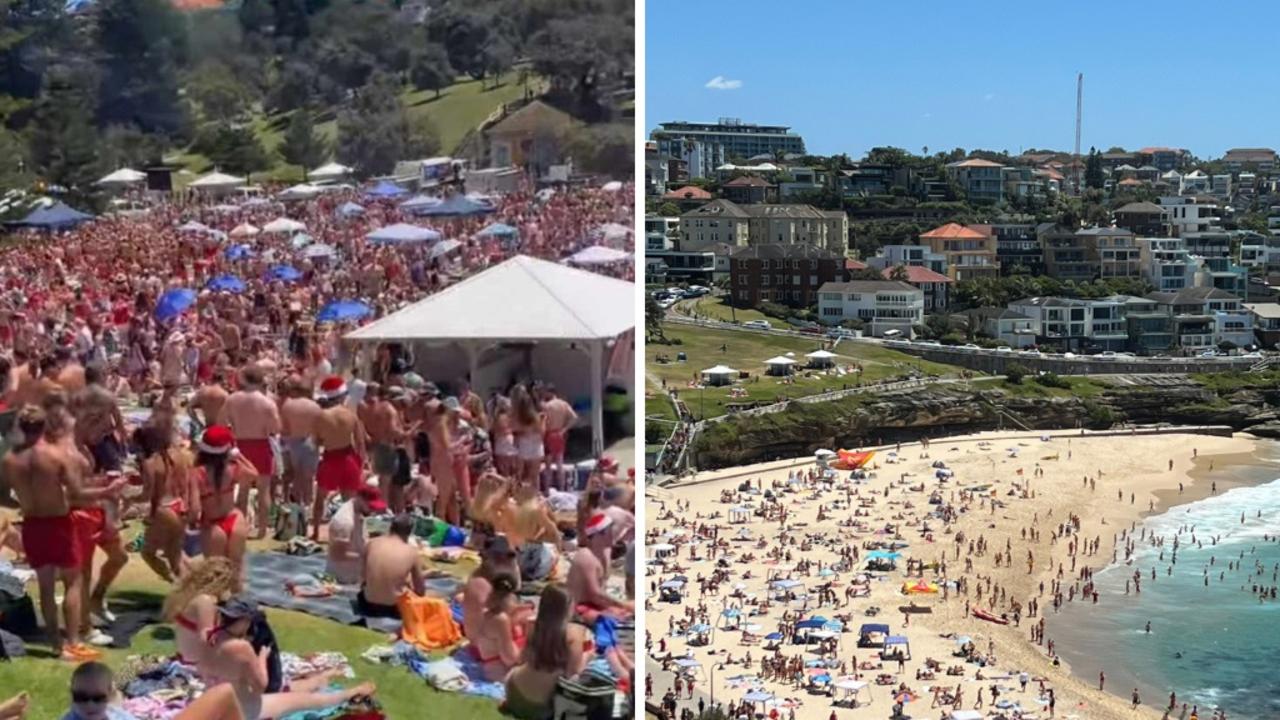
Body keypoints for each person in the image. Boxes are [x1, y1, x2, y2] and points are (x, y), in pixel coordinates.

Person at [4, 405, 124, 660]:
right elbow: (77, 493)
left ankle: (56, 646)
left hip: (31, 525)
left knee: (46, 588)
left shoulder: (9, 459)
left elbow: (2, 496)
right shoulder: (56, 456)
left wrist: (23, 503)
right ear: (44, 427)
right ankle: (73, 643)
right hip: (58, 523)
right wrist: (107, 491)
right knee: (73, 582)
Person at [203, 597, 375, 720]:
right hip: (246, 711)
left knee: (295, 688)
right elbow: (261, 686)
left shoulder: (210, 638)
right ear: (243, 620)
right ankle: (351, 692)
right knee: (311, 701)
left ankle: (321, 680)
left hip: (217, 709)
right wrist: (262, 657)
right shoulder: (241, 648)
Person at [504, 585, 592, 720]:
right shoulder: (575, 633)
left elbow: (522, 658)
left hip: (514, 692)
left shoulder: (533, 625)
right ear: (568, 607)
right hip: (542, 708)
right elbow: (573, 673)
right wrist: (588, 654)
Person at [220, 367, 280, 540]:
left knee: (243, 490)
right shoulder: (267, 402)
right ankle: (262, 530)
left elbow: (221, 422)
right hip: (261, 444)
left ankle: (241, 527)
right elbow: (275, 428)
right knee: (263, 490)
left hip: (241, 445)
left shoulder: (232, 399)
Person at [135, 424, 195, 582]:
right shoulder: (182, 455)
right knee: (177, 553)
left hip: (163, 508)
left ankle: (180, 587)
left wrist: (128, 499)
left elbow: (149, 493)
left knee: (148, 553)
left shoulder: (151, 461)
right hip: (180, 505)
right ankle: (200, 583)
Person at [193, 426, 255, 571]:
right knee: (237, 568)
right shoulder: (232, 469)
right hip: (234, 519)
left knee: (215, 573)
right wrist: (239, 456)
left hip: (212, 524)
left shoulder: (197, 473)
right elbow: (253, 474)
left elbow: (195, 506)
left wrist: (191, 522)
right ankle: (237, 594)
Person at [312, 376, 365, 540]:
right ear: (342, 396)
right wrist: (361, 464)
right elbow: (360, 442)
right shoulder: (351, 415)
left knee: (320, 498)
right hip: (348, 457)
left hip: (330, 457)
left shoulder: (322, 416)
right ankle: (353, 533)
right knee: (349, 501)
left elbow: (316, 441)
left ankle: (315, 532)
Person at [164, 557, 240, 666]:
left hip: (183, 659)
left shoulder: (188, 595)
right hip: (196, 667)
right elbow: (206, 639)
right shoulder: (205, 601)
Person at [566, 511, 633, 619]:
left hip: (592, 605)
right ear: (599, 534)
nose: (614, 534)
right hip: (578, 610)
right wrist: (624, 605)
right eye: (611, 531)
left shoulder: (602, 553)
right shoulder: (586, 556)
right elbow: (594, 594)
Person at [357, 513, 424, 618]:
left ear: (391, 527)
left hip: (367, 604)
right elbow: (420, 590)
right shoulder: (412, 552)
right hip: (395, 608)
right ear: (409, 533)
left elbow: (362, 576)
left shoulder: (372, 543)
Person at [472, 571, 527, 681]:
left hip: (492, 667)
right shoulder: (500, 619)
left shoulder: (487, 614)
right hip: (500, 673)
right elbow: (510, 658)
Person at [327, 486, 387, 585]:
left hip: (355, 576)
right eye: (370, 507)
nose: (372, 511)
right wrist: (367, 556)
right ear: (359, 499)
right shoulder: (344, 522)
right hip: (342, 579)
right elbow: (337, 555)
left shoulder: (357, 512)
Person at [278, 377, 321, 509]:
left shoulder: (288, 405)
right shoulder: (315, 406)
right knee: (309, 476)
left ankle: (296, 504)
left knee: (297, 473)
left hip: (293, 441)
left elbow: (284, 428)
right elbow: (319, 427)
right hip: (310, 440)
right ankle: (307, 503)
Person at [61, 662, 136, 720]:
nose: (90, 705)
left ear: (110, 694)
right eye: (81, 697)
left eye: (98, 698)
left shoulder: (120, 717)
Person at [539, 385, 577, 491]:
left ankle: (547, 489)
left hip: (549, 434)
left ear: (549, 393)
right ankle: (561, 487)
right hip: (560, 434)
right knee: (560, 463)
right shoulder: (563, 404)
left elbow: (543, 422)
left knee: (548, 465)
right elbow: (574, 418)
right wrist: (564, 429)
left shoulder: (546, 406)